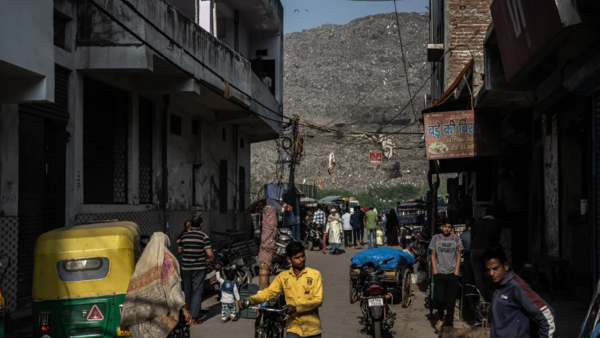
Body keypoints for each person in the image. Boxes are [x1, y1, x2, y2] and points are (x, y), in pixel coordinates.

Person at [238, 242, 323, 338]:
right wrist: (249, 300)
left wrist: (296, 308)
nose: (302, 260)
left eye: (303, 256)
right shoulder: (283, 277)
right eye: (297, 258)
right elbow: (268, 293)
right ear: (289, 259)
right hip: (293, 328)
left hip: (312, 329)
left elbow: (318, 301)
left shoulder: (315, 275)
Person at [121, 233, 193, 337]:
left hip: (147, 312)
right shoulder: (169, 261)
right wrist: (185, 310)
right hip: (167, 311)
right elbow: (174, 290)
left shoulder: (143, 262)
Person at [484, 248, 555, 338]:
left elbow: (548, 316)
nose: (491, 273)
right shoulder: (498, 285)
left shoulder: (517, 286)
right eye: (488, 270)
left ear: (505, 266)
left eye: (495, 268)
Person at [178, 217, 218, 323]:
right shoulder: (203, 236)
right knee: (197, 291)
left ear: (191, 224)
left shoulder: (184, 235)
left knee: (187, 290)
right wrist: (214, 263)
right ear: (200, 225)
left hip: (185, 268)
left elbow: (180, 250)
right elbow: (210, 254)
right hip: (199, 268)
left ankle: (187, 313)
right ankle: (194, 317)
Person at [431, 223, 463, 333]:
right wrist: (435, 270)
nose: (447, 229)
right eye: (445, 226)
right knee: (439, 299)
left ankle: (448, 325)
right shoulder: (435, 238)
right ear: (441, 227)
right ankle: (441, 318)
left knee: (450, 302)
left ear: (451, 229)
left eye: (449, 227)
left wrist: (456, 271)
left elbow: (458, 256)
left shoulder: (456, 239)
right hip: (439, 273)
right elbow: (433, 255)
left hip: (452, 274)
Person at [471, 207, 503, 302]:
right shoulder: (496, 224)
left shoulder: (478, 221)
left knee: (477, 275)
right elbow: (497, 240)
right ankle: (490, 297)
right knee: (489, 273)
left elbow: (472, 236)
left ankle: (481, 299)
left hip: (475, 250)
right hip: (487, 250)